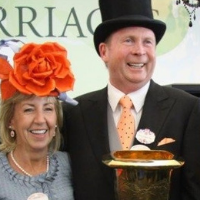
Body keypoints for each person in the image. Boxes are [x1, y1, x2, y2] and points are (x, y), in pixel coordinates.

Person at [61, 0, 200, 200]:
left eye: (147, 42)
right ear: (104, 51)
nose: (140, 51)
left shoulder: (188, 109)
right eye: (129, 40)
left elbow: (194, 191)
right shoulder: (73, 112)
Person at [0, 41, 76, 200]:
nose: (40, 120)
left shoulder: (70, 164)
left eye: (48, 109)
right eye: (29, 109)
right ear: (10, 120)